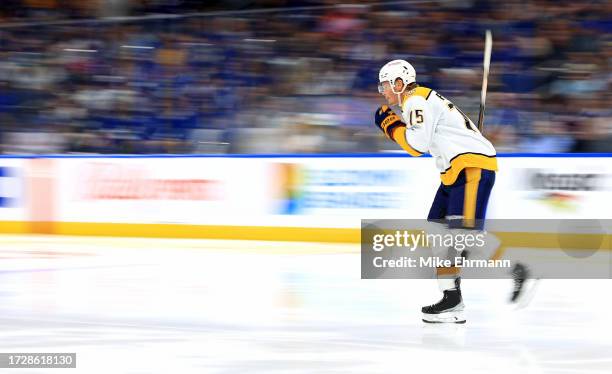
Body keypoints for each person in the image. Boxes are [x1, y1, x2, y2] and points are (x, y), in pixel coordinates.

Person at [374, 59, 530, 323]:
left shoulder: (414, 100)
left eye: (386, 85)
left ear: (400, 83)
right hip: (455, 170)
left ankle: (518, 270)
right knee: (436, 231)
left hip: (470, 166)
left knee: (466, 237)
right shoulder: (420, 100)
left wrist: (390, 126)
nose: (384, 92)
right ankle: (451, 299)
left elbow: (417, 146)